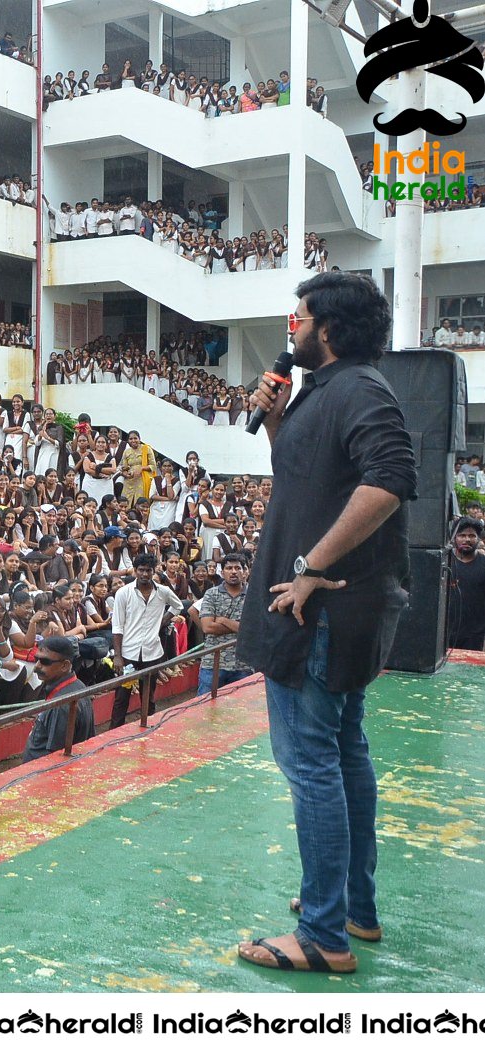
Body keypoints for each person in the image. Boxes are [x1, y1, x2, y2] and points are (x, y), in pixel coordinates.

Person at [236, 271, 417, 975]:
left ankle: (320, 936)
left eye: (300, 316)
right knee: (341, 756)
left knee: (309, 764)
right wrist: (276, 417)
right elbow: (302, 474)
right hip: (333, 614)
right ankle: (351, 908)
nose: (291, 326)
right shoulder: (323, 391)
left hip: (319, 614)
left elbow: (389, 478)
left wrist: (310, 563)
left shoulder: (361, 390)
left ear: (329, 330)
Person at [109, 552, 184, 727]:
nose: (144, 574)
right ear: (135, 571)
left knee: (148, 695)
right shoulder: (123, 593)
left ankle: (147, 727)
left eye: (148, 571)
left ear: (153, 571)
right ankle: (113, 731)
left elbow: (178, 606)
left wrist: (161, 622)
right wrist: (118, 656)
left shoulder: (163, 592)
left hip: (152, 652)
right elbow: (117, 626)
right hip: (128, 654)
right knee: (122, 696)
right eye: (141, 570)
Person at [22, 636, 94, 760]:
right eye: (37, 659)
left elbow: (56, 756)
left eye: (45, 662)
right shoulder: (77, 685)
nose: (37, 666)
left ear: (65, 666)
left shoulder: (61, 704)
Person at [197, 552, 252, 693]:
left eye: (237, 568)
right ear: (222, 572)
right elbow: (207, 627)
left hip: (244, 665)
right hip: (213, 663)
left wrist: (223, 620)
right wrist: (239, 626)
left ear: (245, 571)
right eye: (229, 568)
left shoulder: (253, 595)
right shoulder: (211, 593)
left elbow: (253, 629)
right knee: (205, 709)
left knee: (240, 711)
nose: (233, 572)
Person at [446, 518, 484, 650]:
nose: (466, 539)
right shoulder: (444, 563)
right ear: (454, 537)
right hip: (444, 634)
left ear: (478, 539)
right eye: (462, 535)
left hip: (474, 637)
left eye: (472, 536)